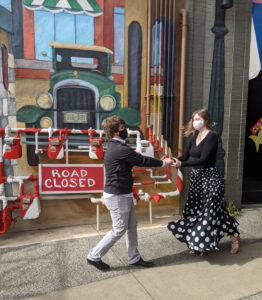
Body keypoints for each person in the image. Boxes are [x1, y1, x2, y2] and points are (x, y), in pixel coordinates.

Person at [87, 116, 174, 271]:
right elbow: (141, 160)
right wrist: (162, 162)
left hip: (123, 194)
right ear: (115, 131)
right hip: (117, 196)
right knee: (118, 229)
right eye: (122, 127)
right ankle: (94, 256)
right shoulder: (119, 149)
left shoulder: (117, 146)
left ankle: (134, 258)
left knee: (131, 225)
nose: (125, 129)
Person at [168, 108, 240, 256]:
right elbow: (185, 156)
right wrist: (174, 160)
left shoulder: (212, 136)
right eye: (194, 119)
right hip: (197, 181)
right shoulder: (194, 137)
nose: (195, 122)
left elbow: (203, 160)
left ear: (206, 120)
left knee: (209, 212)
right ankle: (202, 242)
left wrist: (182, 165)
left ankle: (226, 240)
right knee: (200, 212)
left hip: (211, 179)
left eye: (198, 119)